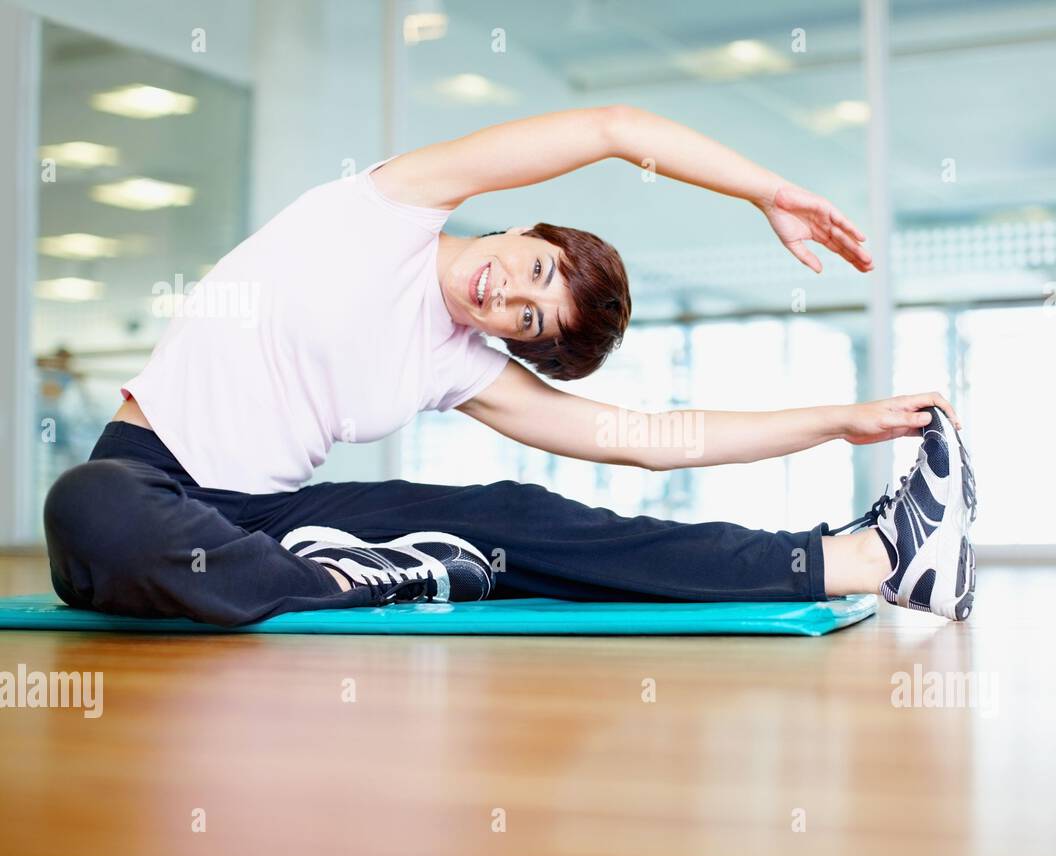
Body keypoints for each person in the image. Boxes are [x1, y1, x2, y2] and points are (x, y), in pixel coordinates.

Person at [42, 106, 977, 627]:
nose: (508, 294)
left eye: (530, 319)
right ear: (526, 228)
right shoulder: (395, 203)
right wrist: (766, 189)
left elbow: (649, 440)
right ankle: (375, 577)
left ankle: (872, 558)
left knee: (524, 519)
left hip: (271, 524)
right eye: (536, 270)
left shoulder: (459, 365)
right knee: (86, 507)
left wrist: (840, 420)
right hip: (151, 481)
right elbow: (612, 128)